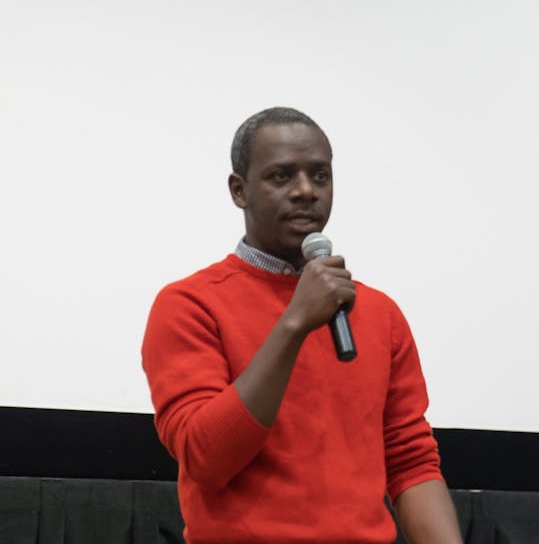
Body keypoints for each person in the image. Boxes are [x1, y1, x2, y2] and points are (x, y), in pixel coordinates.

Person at [142, 107, 463, 543]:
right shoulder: (189, 305)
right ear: (239, 190)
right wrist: (295, 322)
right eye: (282, 176)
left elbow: (411, 463)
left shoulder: (379, 313)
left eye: (320, 176)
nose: (306, 191)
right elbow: (206, 459)